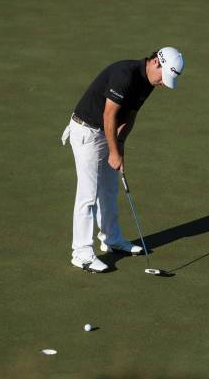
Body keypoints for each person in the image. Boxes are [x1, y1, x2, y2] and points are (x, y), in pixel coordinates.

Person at [60, 47, 185, 273]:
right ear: (156, 61)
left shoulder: (149, 81)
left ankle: (111, 239)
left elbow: (130, 115)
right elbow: (110, 115)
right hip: (87, 131)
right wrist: (114, 151)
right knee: (88, 194)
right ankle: (81, 253)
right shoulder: (124, 74)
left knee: (109, 189)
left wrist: (121, 146)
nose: (163, 83)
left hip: (104, 133)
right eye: (163, 77)